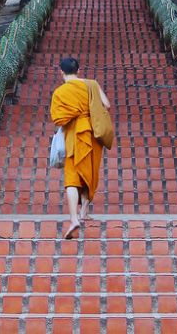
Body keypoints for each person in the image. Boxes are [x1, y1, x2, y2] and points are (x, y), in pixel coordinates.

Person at [50, 57, 112, 239]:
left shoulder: (61, 92)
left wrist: (74, 112)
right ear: (78, 70)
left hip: (74, 135)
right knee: (90, 170)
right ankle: (84, 210)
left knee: (72, 177)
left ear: (61, 72)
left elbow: (58, 118)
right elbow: (107, 105)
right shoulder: (91, 84)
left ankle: (74, 218)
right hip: (93, 132)